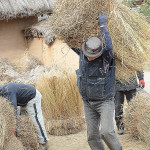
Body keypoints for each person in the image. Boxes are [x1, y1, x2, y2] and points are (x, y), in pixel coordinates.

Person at [71, 14, 122, 150]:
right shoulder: (83, 54)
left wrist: (102, 26)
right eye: (88, 55)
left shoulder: (106, 59)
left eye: (93, 56)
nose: (90, 58)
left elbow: (109, 46)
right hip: (87, 101)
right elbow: (69, 39)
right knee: (92, 135)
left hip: (104, 101)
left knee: (106, 132)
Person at [0, 82, 49, 150]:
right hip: (23, 102)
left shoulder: (8, 91)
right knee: (24, 123)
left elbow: (13, 111)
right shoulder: (2, 92)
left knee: (36, 120)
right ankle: (30, 142)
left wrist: (14, 128)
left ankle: (44, 142)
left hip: (33, 98)